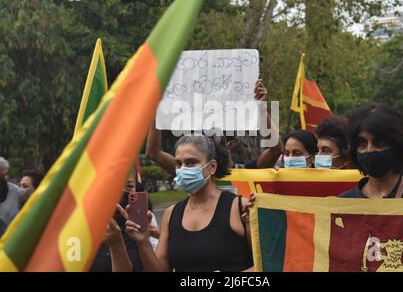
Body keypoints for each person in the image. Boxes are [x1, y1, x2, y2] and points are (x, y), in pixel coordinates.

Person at [114, 135, 253, 271]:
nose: (183, 170)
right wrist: (143, 242)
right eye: (178, 163)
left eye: (191, 162)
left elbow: (266, 263)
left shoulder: (239, 208)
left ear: (212, 167)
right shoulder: (171, 214)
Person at [145, 79, 284, 175]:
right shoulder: (194, 175)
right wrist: (156, 110)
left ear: (232, 143)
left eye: (213, 136)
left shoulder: (248, 171)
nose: (205, 142)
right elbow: (153, 153)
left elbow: (276, 149)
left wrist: (261, 108)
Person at [90, 169, 159, 272]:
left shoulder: (140, 224)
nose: (121, 193)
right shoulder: (91, 223)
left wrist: (144, 240)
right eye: (114, 186)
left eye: (129, 186)